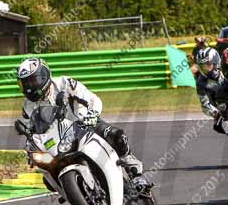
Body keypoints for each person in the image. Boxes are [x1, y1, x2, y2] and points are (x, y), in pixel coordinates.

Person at [16, 57, 145, 178]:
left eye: (33, 81)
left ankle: (130, 163)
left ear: (44, 75)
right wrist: (31, 150)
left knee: (116, 135)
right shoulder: (28, 107)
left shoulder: (64, 84)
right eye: (25, 83)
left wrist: (92, 116)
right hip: (58, 142)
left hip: (84, 125)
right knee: (47, 177)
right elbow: (32, 133)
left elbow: (93, 99)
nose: (29, 88)